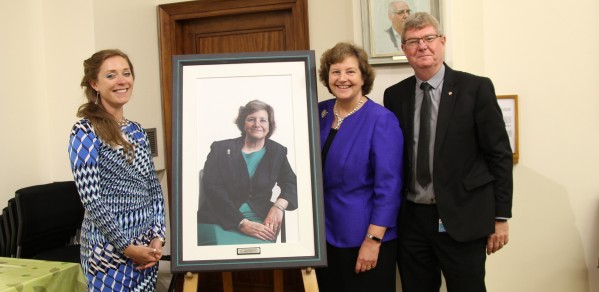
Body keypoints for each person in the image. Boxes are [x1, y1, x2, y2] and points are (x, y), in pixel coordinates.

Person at [383, 12, 513, 292]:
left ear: (442, 41)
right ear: (404, 49)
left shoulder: (475, 88)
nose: (422, 46)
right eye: (413, 41)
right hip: (413, 221)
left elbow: (499, 154)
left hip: (462, 217)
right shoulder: (394, 96)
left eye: (429, 38)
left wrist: (500, 217)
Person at [68, 49, 166, 291]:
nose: (122, 81)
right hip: (108, 255)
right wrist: (128, 248)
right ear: (95, 84)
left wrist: (158, 237)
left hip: (146, 251)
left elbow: (152, 187)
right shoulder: (84, 131)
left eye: (126, 73)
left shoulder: (137, 130)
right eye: (111, 75)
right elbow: (91, 200)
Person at [316, 42, 404, 291]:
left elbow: (389, 188)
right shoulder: (319, 112)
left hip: (363, 238)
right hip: (323, 238)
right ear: (327, 76)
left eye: (350, 71)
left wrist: (373, 241)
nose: (342, 79)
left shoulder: (382, 120)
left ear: (363, 76)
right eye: (336, 72)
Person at [197, 99, 298, 245]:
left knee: (260, 260)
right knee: (221, 256)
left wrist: (278, 207)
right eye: (251, 119)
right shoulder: (220, 149)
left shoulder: (277, 152)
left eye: (263, 120)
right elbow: (213, 189)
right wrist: (241, 223)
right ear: (243, 123)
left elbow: (292, 183)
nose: (257, 124)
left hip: (260, 219)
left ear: (270, 125)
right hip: (218, 218)